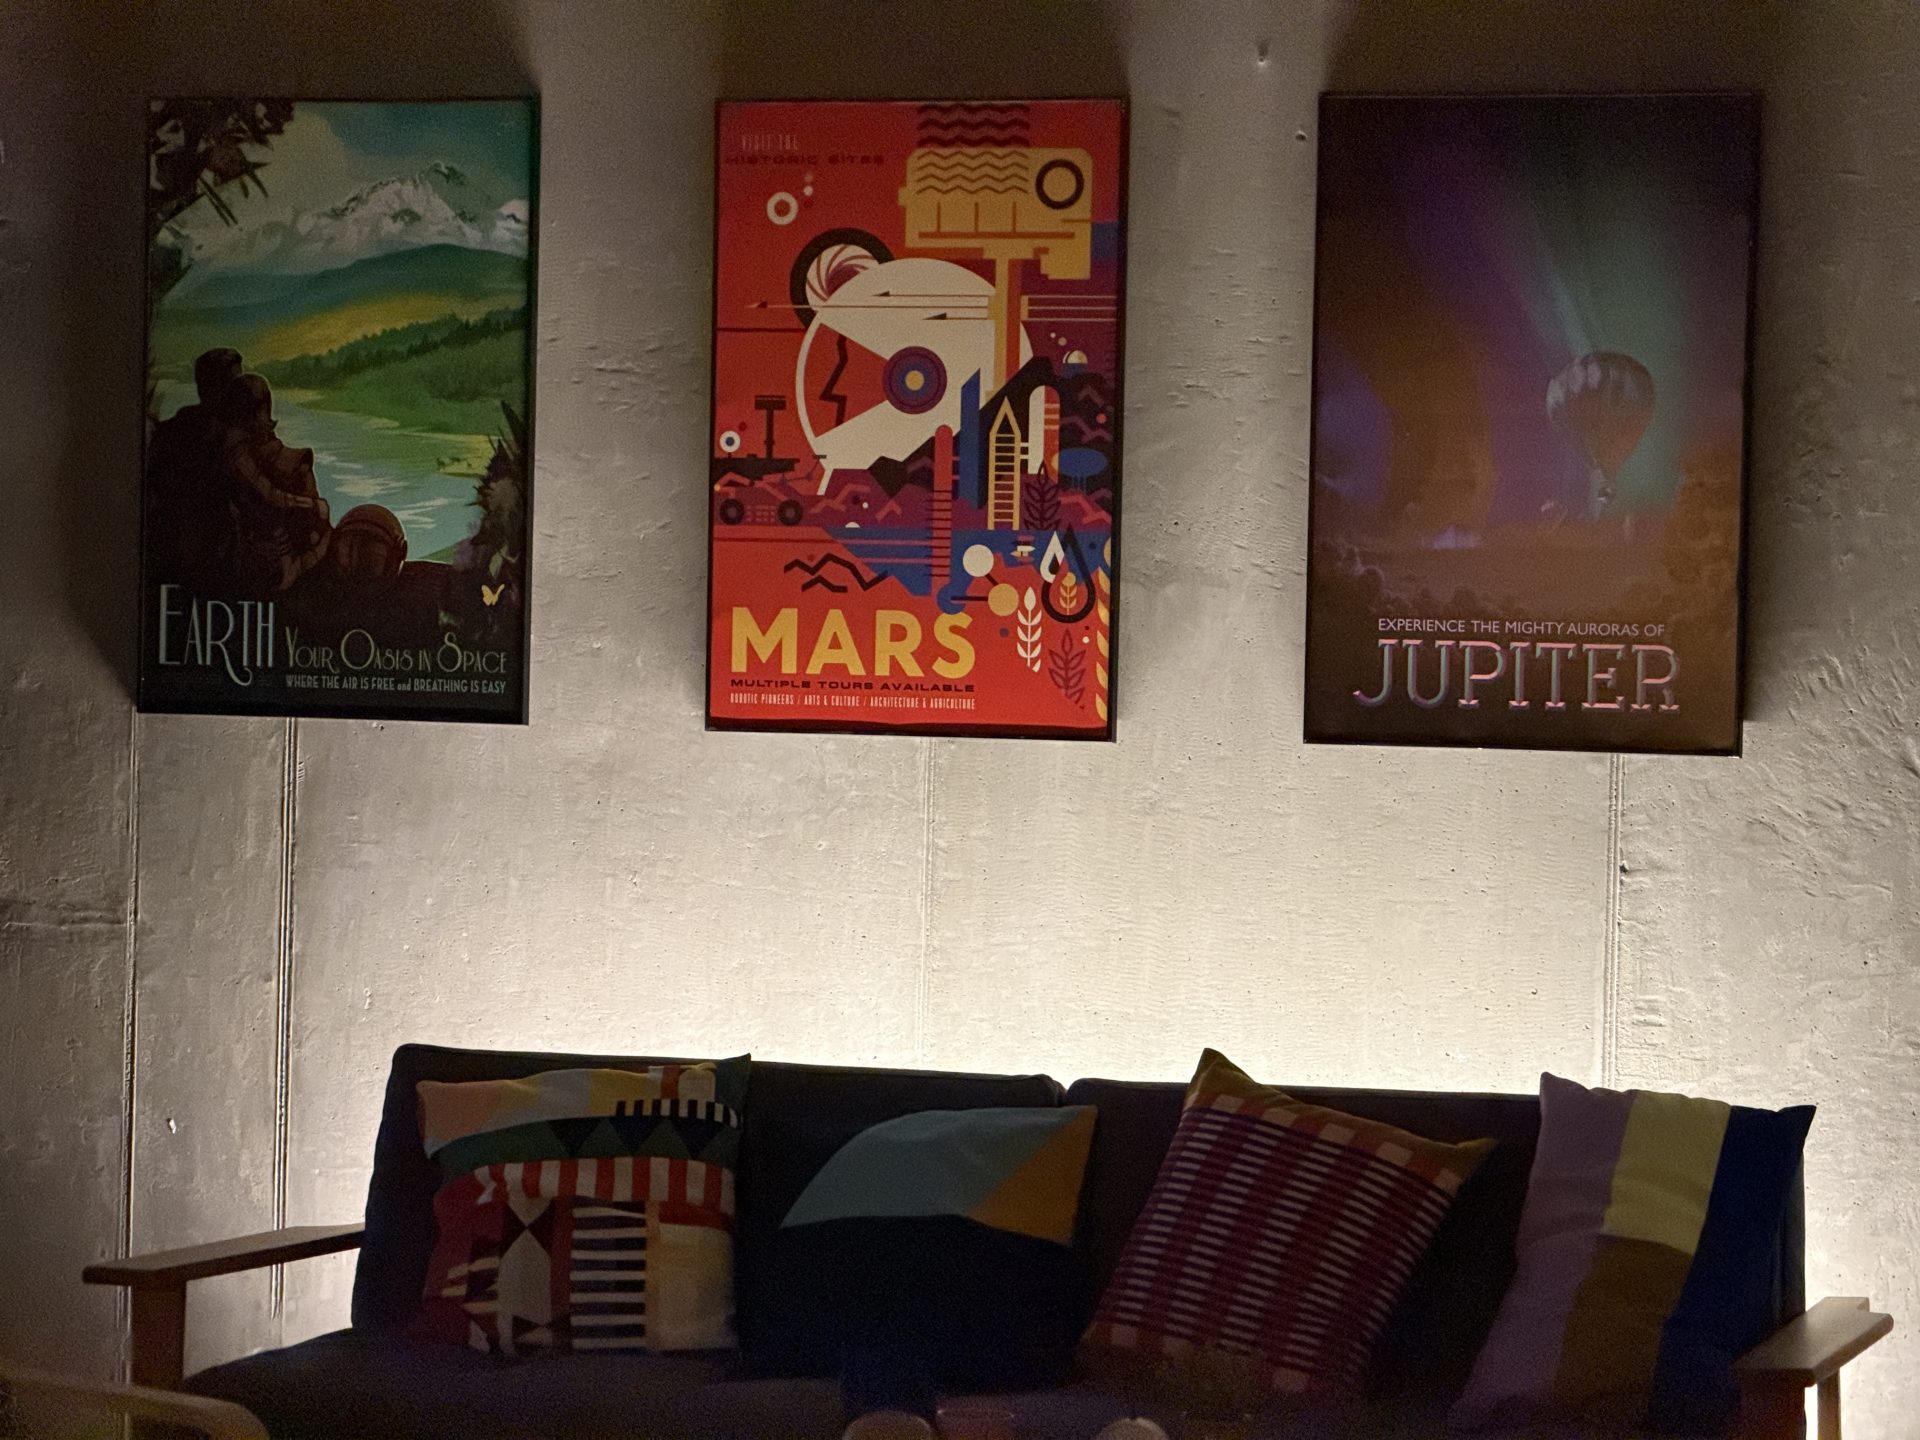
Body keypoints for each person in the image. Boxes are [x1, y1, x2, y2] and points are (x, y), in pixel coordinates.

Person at [219, 372, 332, 595]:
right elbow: (270, 495)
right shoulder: (236, 455)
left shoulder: (292, 462)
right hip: (254, 557)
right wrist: (313, 506)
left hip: (277, 559)